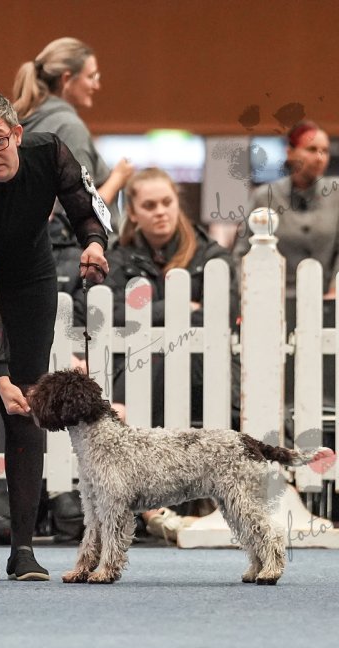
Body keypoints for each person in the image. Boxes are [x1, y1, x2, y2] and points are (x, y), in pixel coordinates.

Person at [0, 87, 108, 581]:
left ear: (17, 133)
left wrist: (94, 243)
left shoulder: (49, 152)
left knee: (28, 410)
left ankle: (24, 549)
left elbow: (85, 205)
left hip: (30, 277)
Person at [102, 167, 240, 542]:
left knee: (160, 360)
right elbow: (110, 313)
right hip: (140, 371)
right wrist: (177, 307)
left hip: (202, 374)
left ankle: (146, 504)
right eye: (149, 205)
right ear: (133, 212)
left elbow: (221, 314)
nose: (160, 211)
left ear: (178, 204)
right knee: (153, 359)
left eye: (167, 202)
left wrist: (150, 313)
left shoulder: (213, 256)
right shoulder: (118, 260)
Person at [13, 37, 134, 294]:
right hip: (77, 266)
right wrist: (117, 179)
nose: (97, 85)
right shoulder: (69, 128)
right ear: (67, 79)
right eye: (91, 76)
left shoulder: (27, 122)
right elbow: (80, 208)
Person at [233, 120, 339, 296]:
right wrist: (252, 295)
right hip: (274, 298)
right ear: (290, 153)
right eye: (311, 150)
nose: (320, 158)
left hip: (326, 298)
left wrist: (336, 292)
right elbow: (242, 253)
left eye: (325, 151)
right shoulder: (264, 196)